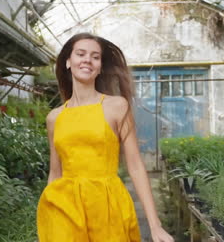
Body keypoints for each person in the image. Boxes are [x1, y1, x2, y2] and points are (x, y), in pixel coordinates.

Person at [37, 33, 174, 242]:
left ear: (100, 66)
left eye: (95, 57)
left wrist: (155, 226)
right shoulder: (54, 117)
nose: (87, 60)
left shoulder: (116, 106)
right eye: (80, 54)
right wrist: (48, 220)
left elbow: (135, 166)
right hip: (65, 208)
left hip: (107, 206)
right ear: (67, 61)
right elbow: (55, 174)